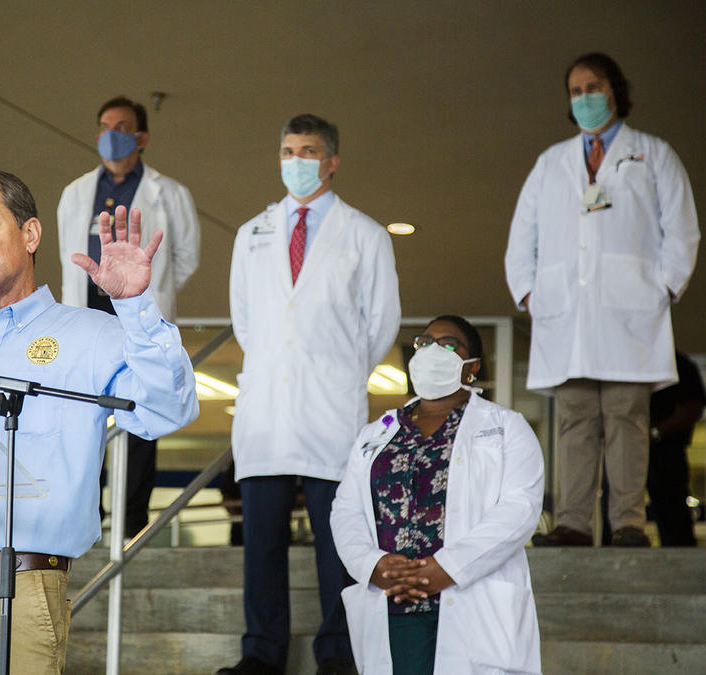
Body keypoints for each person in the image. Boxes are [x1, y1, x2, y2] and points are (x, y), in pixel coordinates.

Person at [0, 168, 198, 674]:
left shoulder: (92, 336)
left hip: (19, 587)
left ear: (30, 234)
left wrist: (135, 306)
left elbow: (168, 410)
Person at [223, 114, 401, 675]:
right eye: (286, 150)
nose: (295, 161)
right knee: (263, 545)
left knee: (338, 543)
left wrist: (335, 369)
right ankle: (261, 653)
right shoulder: (252, 233)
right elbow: (247, 322)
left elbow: (381, 324)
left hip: (331, 409)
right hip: (267, 414)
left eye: (307, 151)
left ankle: (338, 655)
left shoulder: (365, 235)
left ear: (332, 161)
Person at [505, 53, 700, 547]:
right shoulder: (550, 162)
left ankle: (628, 523)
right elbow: (521, 234)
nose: (584, 97)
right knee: (574, 421)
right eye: (575, 91)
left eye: (593, 86)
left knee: (626, 419)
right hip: (566, 314)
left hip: (630, 312)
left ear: (615, 89)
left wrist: (665, 285)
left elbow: (681, 228)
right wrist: (529, 291)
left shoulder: (653, 154)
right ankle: (572, 522)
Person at [330, 316, 544, 675]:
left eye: (448, 344)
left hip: (470, 600)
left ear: (471, 367)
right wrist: (373, 565)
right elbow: (346, 510)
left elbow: (519, 510)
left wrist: (447, 567)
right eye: (424, 342)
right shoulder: (377, 433)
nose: (431, 351)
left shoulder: (506, 427)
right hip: (394, 602)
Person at [58, 95, 201, 538]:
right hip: (88, 324)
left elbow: (187, 257)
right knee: (84, 422)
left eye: (121, 126)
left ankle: (131, 525)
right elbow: (68, 255)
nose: (110, 134)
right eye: (103, 125)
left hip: (136, 320)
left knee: (143, 419)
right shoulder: (76, 192)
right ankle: (88, 521)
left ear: (142, 137)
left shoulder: (170, 193)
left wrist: (139, 299)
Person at [647, 351, 705, 546]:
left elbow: (693, 407)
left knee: (674, 517)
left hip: (667, 451)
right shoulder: (631, 361)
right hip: (629, 450)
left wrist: (655, 433)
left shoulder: (681, 365)